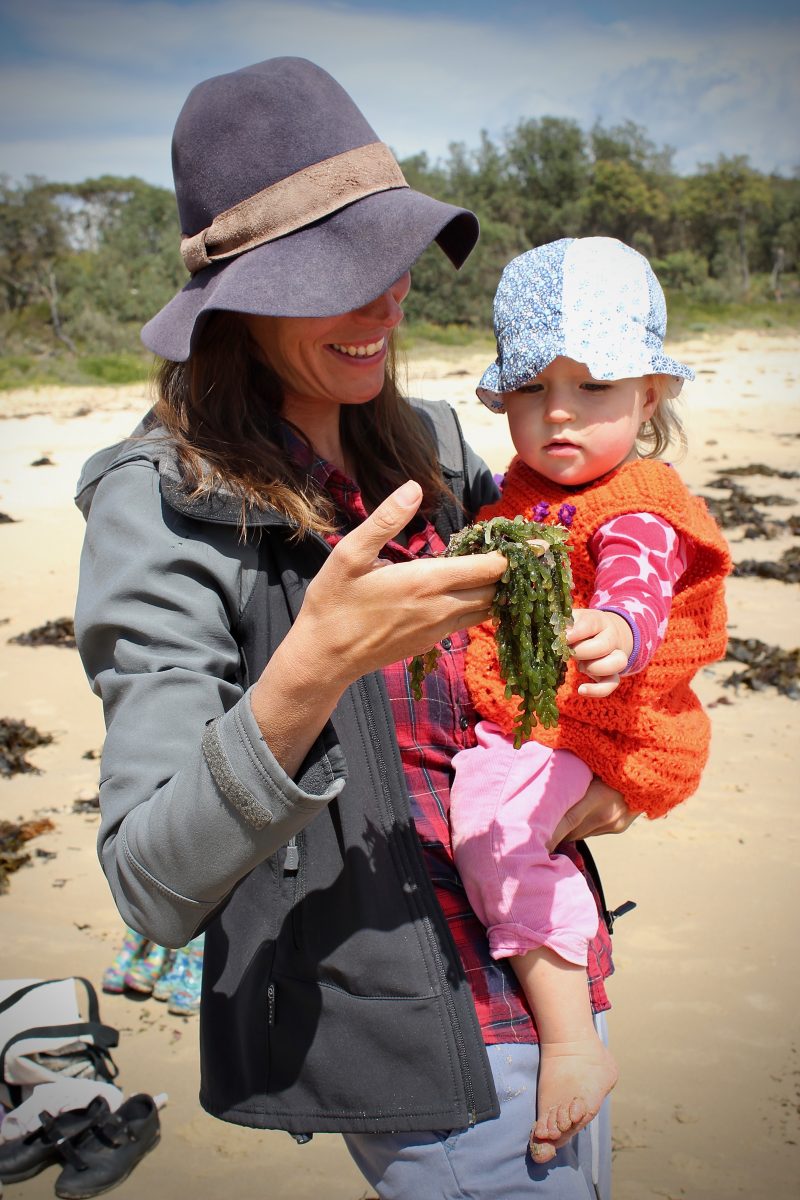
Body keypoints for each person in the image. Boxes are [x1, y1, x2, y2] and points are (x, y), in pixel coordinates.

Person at [74, 58, 624, 1199]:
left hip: (549, 969)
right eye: (341, 274)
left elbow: (550, 667)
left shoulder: (431, 446)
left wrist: (613, 765)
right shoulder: (161, 499)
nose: (386, 303)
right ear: (241, 300)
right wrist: (312, 665)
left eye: (394, 266)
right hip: (408, 1026)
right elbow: (150, 883)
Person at [449, 237, 731, 1164]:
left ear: (649, 396)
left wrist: (617, 628)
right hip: (554, 715)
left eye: (594, 389)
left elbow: (638, 581)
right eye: (532, 389)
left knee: (496, 824)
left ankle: (570, 1039)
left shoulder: (638, 503)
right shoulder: (521, 496)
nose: (558, 413)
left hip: (609, 717)